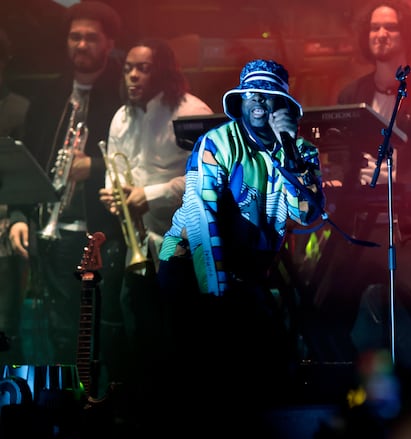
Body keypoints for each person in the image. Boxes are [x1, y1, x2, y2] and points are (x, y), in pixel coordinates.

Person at [306, 0, 411, 376]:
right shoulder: (352, 93)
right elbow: (338, 151)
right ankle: (355, 392)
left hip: (407, 224)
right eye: (374, 28)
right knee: (318, 311)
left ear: (406, 36)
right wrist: (331, 178)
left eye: (390, 28)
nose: (380, 34)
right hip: (358, 226)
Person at [156, 58, 324, 413]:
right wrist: (216, 295)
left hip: (247, 274)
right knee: (199, 377)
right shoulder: (215, 143)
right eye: (252, 95)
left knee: (260, 373)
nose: (260, 103)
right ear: (240, 101)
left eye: (269, 95)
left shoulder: (303, 151)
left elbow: (306, 217)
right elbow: (202, 218)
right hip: (192, 265)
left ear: (283, 105)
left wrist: (290, 153)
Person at [8, 1, 126, 367]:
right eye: (75, 37)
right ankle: (68, 413)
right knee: (62, 334)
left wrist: (96, 165)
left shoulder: (126, 94)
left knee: (108, 331)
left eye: (91, 38)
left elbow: (144, 162)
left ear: (109, 43)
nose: (81, 45)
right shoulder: (49, 96)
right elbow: (27, 163)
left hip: (105, 235)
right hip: (54, 235)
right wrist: (17, 216)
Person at [97, 37, 212, 413]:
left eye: (142, 68)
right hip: (142, 242)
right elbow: (115, 172)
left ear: (163, 70)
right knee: (142, 335)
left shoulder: (191, 111)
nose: (132, 75)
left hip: (184, 244)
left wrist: (150, 193)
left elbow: (208, 179)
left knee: (185, 337)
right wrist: (114, 193)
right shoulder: (121, 117)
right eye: (128, 67)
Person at [0, 28, 30, 361]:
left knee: (6, 325)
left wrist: (17, 217)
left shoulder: (20, 109)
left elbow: (27, 177)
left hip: (3, 230)